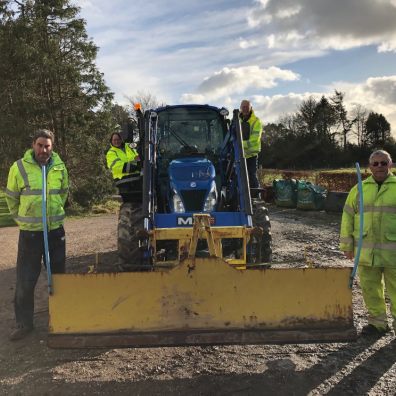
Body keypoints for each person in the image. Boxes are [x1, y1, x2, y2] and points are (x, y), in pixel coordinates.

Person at [5, 129, 69, 341]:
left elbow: (63, 192)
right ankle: (24, 324)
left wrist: (56, 214)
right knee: (26, 279)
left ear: (52, 147)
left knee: (59, 277)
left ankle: (61, 318)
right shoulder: (19, 167)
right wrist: (21, 220)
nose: (43, 150)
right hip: (30, 235)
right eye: (40, 145)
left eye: (47, 146)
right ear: (33, 145)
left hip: (55, 231)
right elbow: (11, 198)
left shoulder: (59, 167)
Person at [340, 149, 396, 337]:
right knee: (371, 290)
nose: (379, 166)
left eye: (383, 163)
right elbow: (347, 217)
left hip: (393, 253)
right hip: (366, 253)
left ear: (390, 164)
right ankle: (378, 324)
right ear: (369, 166)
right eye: (375, 163)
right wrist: (347, 246)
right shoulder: (359, 189)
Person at [106, 131, 141, 202]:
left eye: (118, 139)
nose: (116, 141)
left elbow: (138, 154)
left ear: (121, 139)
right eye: (114, 140)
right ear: (111, 141)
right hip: (123, 180)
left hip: (136, 177)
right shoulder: (111, 153)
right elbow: (117, 167)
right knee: (131, 201)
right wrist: (135, 165)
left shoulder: (128, 146)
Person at [239, 100, 263, 197]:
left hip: (251, 155)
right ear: (240, 108)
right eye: (243, 106)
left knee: (251, 175)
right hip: (239, 154)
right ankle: (242, 197)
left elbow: (254, 140)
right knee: (238, 176)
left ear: (251, 108)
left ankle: (256, 198)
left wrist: (240, 144)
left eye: (247, 107)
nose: (245, 108)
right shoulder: (237, 120)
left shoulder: (256, 121)